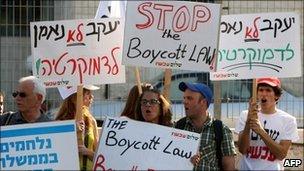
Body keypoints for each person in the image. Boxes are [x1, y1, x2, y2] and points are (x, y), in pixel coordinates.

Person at [235, 77, 299, 170]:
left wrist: (261, 132)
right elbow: (242, 150)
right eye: (261, 90)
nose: (264, 94)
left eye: (268, 90)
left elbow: (281, 155)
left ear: (277, 96)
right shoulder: (245, 115)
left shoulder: (288, 120)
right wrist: (248, 123)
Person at [176, 82, 236, 170]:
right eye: (184, 98)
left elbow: (229, 167)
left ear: (203, 102)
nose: (184, 102)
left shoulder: (221, 130)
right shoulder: (178, 127)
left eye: (189, 98)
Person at [56, 85, 100, 171]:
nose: (91, 96)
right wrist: (70, 131)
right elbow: (55, 154)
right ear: (74, 98)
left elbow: (100, 156)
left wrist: (87, 152)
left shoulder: (91, 121)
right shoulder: (59, 123)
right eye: (87, 93)